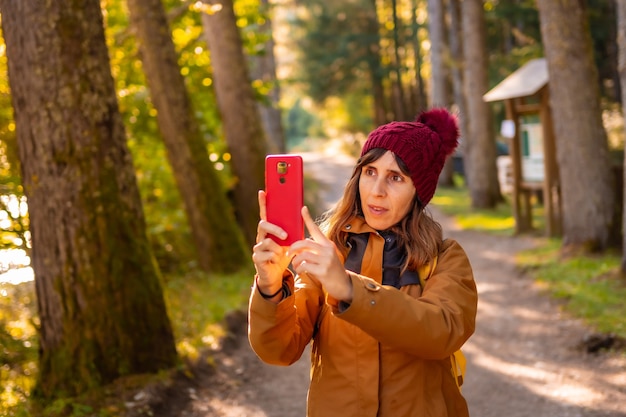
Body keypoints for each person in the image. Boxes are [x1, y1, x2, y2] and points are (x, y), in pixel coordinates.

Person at [249, 107, 478, 417]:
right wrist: (269, 287)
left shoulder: (446, 257)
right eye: (370, 172)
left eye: (395, 177)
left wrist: (349, 289)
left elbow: (442, 333)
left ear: (419, 192)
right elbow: (278, 350)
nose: (377, 191)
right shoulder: (331, 252)